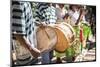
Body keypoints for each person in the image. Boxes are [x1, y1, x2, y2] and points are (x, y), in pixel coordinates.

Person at [11, 1, 40, 65]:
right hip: (25, 52)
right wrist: (32, 50)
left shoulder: (26, 2)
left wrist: (37, 23)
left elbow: (26, 19)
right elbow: (18, 34)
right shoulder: (18, 3)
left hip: (30, 49)